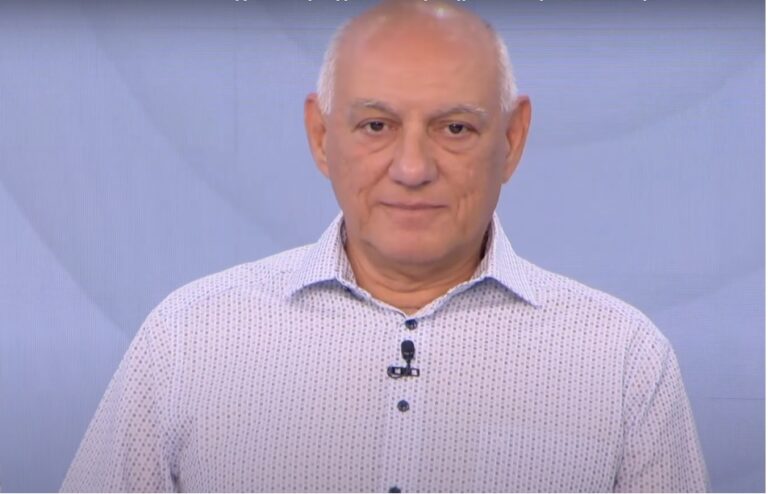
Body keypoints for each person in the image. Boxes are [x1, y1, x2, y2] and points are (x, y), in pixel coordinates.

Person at [61, 0, 709, 491]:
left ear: (512, 140)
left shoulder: (622, 360)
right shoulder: (190, 338)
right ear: (321, 137)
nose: (412, 167)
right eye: (376, 125)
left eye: (455, 128)